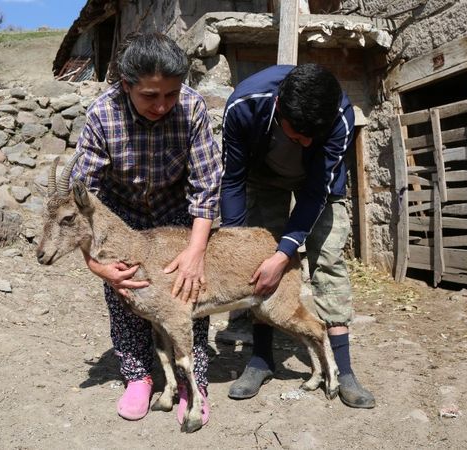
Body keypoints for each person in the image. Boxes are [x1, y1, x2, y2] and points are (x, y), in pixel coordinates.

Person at [68, 32, 221, 425]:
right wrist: (96, 265)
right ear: (126, 86)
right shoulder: (103, 115)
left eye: (170, 94)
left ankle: (192, 380)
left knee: (187, 292)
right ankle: (138, 375)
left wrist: (196, 251)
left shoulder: (192, 108)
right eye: (151, 96)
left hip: (175, 214)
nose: (163, 105)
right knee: (125, 293)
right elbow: (82, 201)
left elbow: (206, 185)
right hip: (122, 215)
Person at [220, 63, 375, 408]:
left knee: (330, 259)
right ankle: (261, 359)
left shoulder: (341, 116)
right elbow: (232, 180)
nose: (304, 142)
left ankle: (343, 369)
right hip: (262, 180)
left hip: (319, 183)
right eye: (296, 135)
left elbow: (315, 192)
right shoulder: (245, 105)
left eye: (312, 137)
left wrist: (284, 253)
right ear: (278, 107)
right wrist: (236, 244)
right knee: (256, 263)